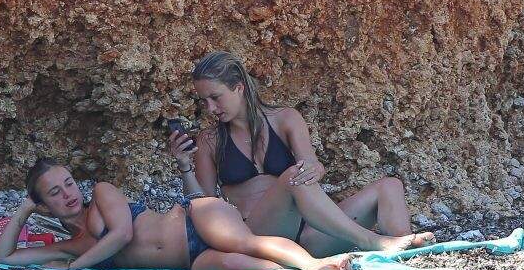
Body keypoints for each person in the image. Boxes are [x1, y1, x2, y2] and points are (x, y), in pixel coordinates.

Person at [168, 51, 435, 257]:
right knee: (291, 177)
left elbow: (311, 164)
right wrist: (184, 166)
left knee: (390, 186)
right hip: (256, 234)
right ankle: (371, 240)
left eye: (215, 97)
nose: (210, 108)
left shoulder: (285, 118)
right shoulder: (211, 140)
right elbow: (203, 205)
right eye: (204, 101)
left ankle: (404, 245)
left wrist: (313, 168)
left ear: (239, 87)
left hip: (307, 234)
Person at [0, 158, 353, 270]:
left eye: (69, 183)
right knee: (239, 266)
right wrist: (23, 212)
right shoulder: (72, 246)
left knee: (247, 243)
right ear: (43, 206)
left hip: (195, 219)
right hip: (191, 260)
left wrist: (75, 268)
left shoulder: (101, 194)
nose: (68, 194)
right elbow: (2, 258)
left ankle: (313, 261)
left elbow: (122, 234)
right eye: (54, 193)